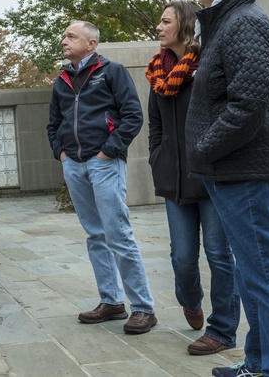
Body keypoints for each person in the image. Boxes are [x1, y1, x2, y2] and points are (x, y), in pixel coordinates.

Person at [186, 0, 269, 377]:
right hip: (234, 169)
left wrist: (202, 147)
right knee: (254, 274)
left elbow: (248, 105)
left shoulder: (244, 24)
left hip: (246, 169)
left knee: (264, 275)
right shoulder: (230, 21)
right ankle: (259, 363)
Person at [47, 20, 158, 335]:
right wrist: (62, 153)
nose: (64, 40)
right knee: (95, 234)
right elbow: (53, 123)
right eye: (65, 36)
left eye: (72, 36)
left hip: (104, 163)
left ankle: (143, 308)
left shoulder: (112, 72)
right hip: (75, 164)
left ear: (91, 43)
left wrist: (109, 151)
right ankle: (111, 301)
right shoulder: (62, 80)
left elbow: (133, 115)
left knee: (117, 233)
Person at [146, 0, 240, 356]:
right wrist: (158, 156)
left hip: (212, 176)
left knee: (218, 254)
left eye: (165, 21)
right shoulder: (157, 73)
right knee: (182, 257)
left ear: (184, 26)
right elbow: (155, 123)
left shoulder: (208, 66)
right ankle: (191, 300)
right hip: (174, 179)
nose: (158, 27)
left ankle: (223, 329)